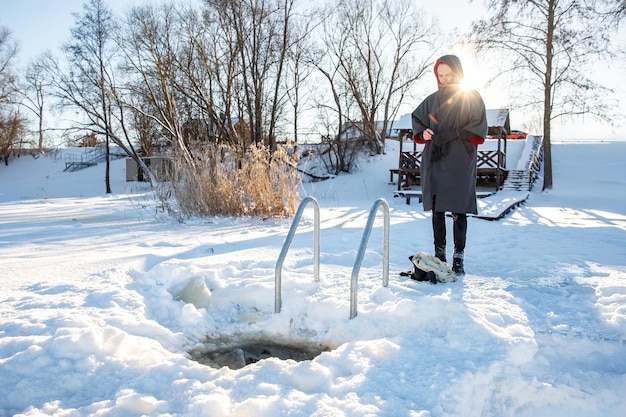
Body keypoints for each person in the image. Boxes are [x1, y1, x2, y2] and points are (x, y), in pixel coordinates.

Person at [411, 54, 488, 275]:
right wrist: (423, 133)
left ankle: (458, 258)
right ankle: (440, 256)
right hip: (435, 158)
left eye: (448, 74)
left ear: (458, 73)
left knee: (458, 207)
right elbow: (417, 120)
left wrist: (453, 134)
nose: (444, 79)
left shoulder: (470, 97)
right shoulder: (431, 100)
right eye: (440, 75)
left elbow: (478, 128)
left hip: (460, 159)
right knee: (438, 208)